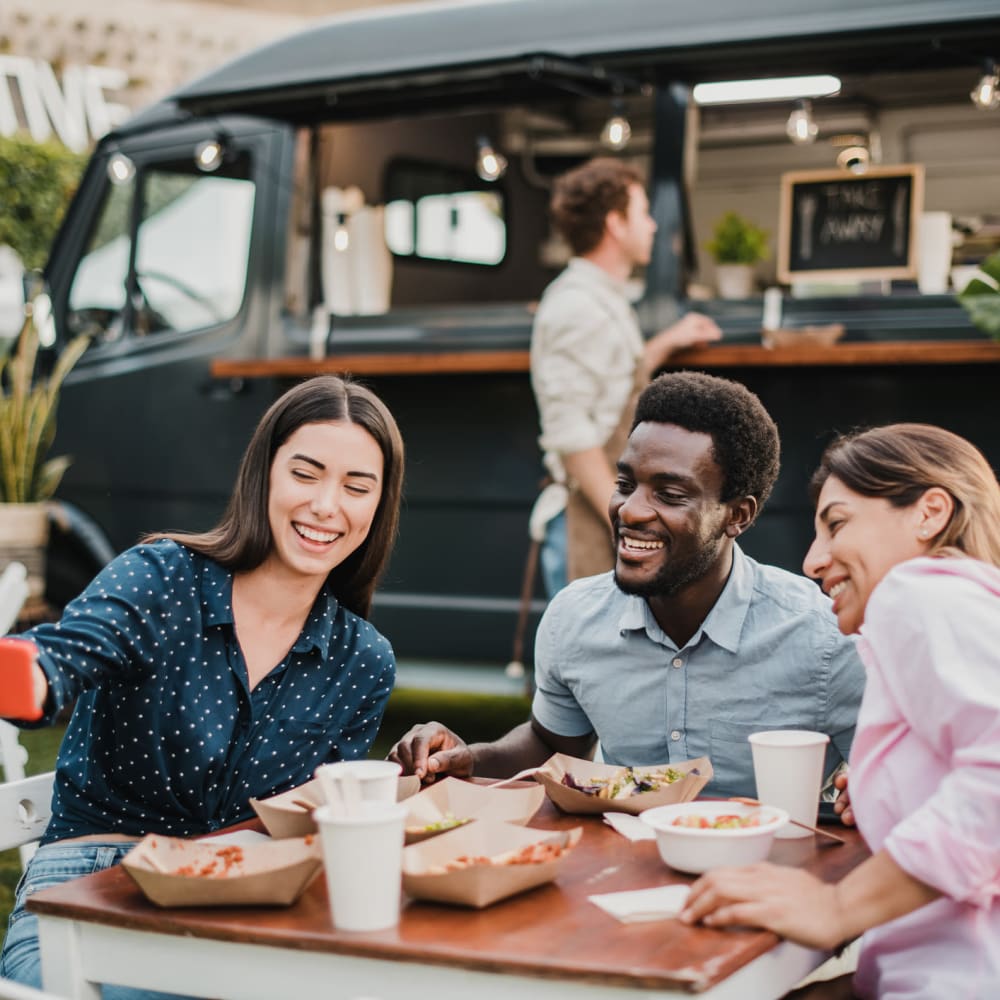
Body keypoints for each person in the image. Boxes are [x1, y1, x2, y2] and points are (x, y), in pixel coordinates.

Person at [0, 374, 405, 999]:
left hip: (233, 910)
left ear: (379, 506)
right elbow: (54, 664)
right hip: (85, 892)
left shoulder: (363, 661)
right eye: (306, 473)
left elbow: (315, 831)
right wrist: (24, 673)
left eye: (357, 487)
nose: (328, 505)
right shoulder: (162, 579)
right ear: (263, 475)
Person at [391, 372, 863, 798]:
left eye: (669, 494)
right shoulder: (575, 616)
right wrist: (471, 758)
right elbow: (551, 743)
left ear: (738, 515)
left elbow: (882, 785)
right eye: (626, 483)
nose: (630, 510)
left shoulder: (824, 636)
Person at [680, 423, 1000, 999]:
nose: (813, 560)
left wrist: (838, 905)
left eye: (838, 524)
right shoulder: (965, 601)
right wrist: (889, 780)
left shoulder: (919, 591)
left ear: (930, 513)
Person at [529, 157, 721, 596]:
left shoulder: (600, 299)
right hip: (587, 519)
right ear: (616, 224)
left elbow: (609, 385)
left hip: (608, 511)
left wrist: (663, 345)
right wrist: (623, 520)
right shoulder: (576, 306)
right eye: (642, 213)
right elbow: (572, 435)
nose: (653, 226)